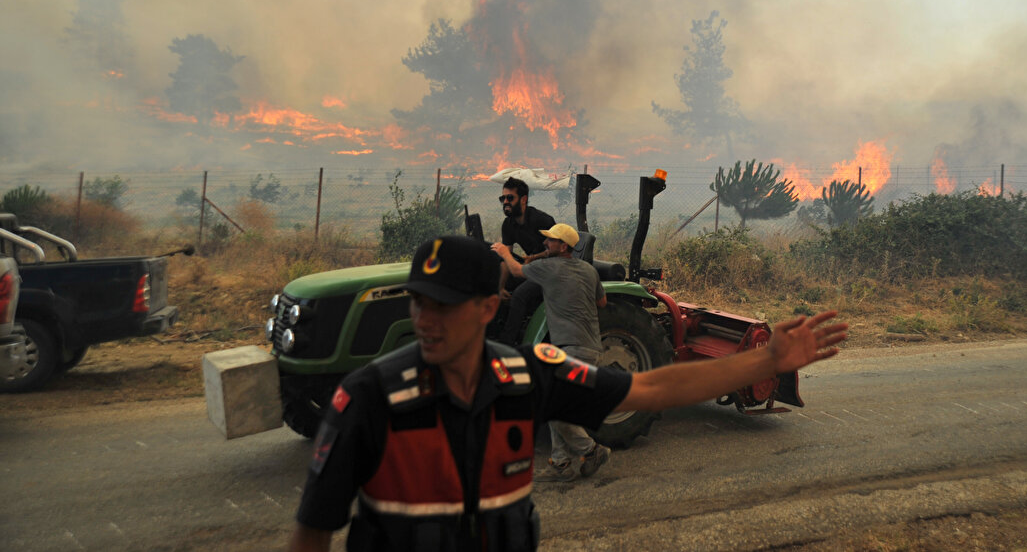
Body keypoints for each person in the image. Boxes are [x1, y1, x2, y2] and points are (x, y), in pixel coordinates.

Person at [288, 235, 848, 552]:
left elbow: (652, 387)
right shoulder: (367, 399)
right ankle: (576, 451)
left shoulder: (527, 377)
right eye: (419, 303)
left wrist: (767, 359)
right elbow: (312, 533)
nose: (425, 319)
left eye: (444, 305)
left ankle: (575, 451)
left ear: (488, 308)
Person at [492, 223, 609, 481]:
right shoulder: (589, 271)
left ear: (563, 246)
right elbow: (602, 302)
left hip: (572, 349)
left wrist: (503, 251)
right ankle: (560, 462)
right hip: (589, 348)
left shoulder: (548, 268)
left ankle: (591, 451)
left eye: (551, 241)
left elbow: (514, 270)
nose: (545, 244)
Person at [495, 178, 556, 344]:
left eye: (510, 198)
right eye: (503, 198)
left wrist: (534, 258)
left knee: (520, 296)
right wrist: (500, 287)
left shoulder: (543, 220)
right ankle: (493, 331)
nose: (505, 202)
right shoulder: (508, 224)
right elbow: (505, 258)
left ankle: (508, 342)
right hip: (531, 267)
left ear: (523, 199)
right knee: (495, 287)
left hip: (550, 270)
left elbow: (555, 251)